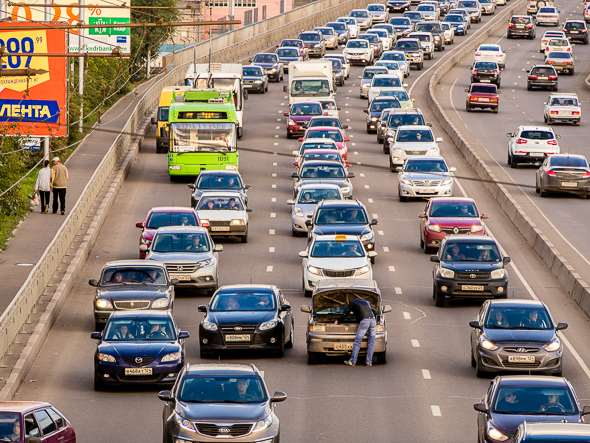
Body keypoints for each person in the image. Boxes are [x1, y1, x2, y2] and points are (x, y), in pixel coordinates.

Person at [335, 298, 379, 366]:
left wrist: (338, 321)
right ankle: (369, 362)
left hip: (364, 321)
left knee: (358, 341)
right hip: (372, 320)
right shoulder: (366, 301)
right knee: (371, 342)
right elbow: (374, 311)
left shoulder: (352, 302)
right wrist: (378, 317)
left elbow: (346, 313)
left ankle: (353, 361)